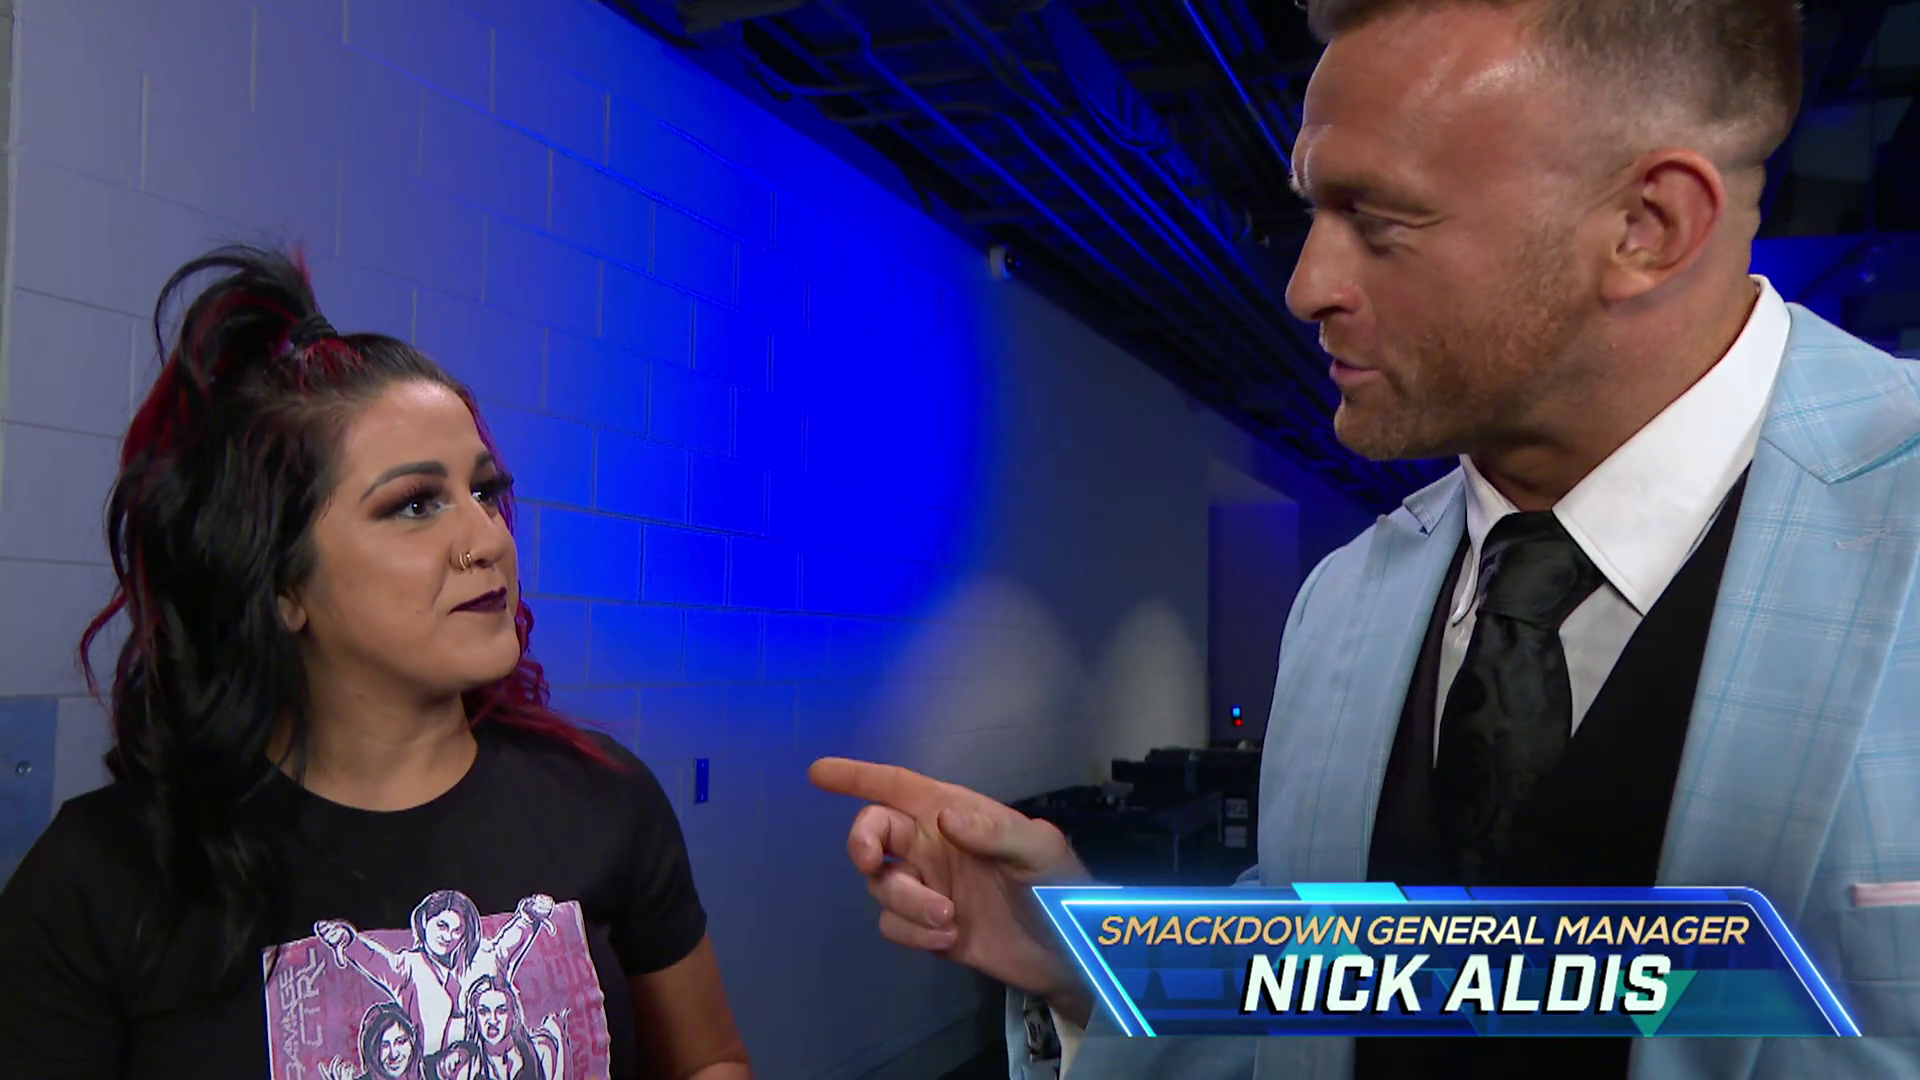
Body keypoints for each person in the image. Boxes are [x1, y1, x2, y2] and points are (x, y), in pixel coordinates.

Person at [811, 0, 1920, 1077]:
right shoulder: (1348, 600)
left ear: (1647, 226)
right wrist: (1086, 956)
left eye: (1380, 222)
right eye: (1313, 211)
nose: (1305, 287)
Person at [0, 247, 753, 1080]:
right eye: (415, 504)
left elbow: (708, 1062)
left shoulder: (603, 798)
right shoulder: (101, 878)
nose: (486, 540)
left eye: (485, 492)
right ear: (282, 584)